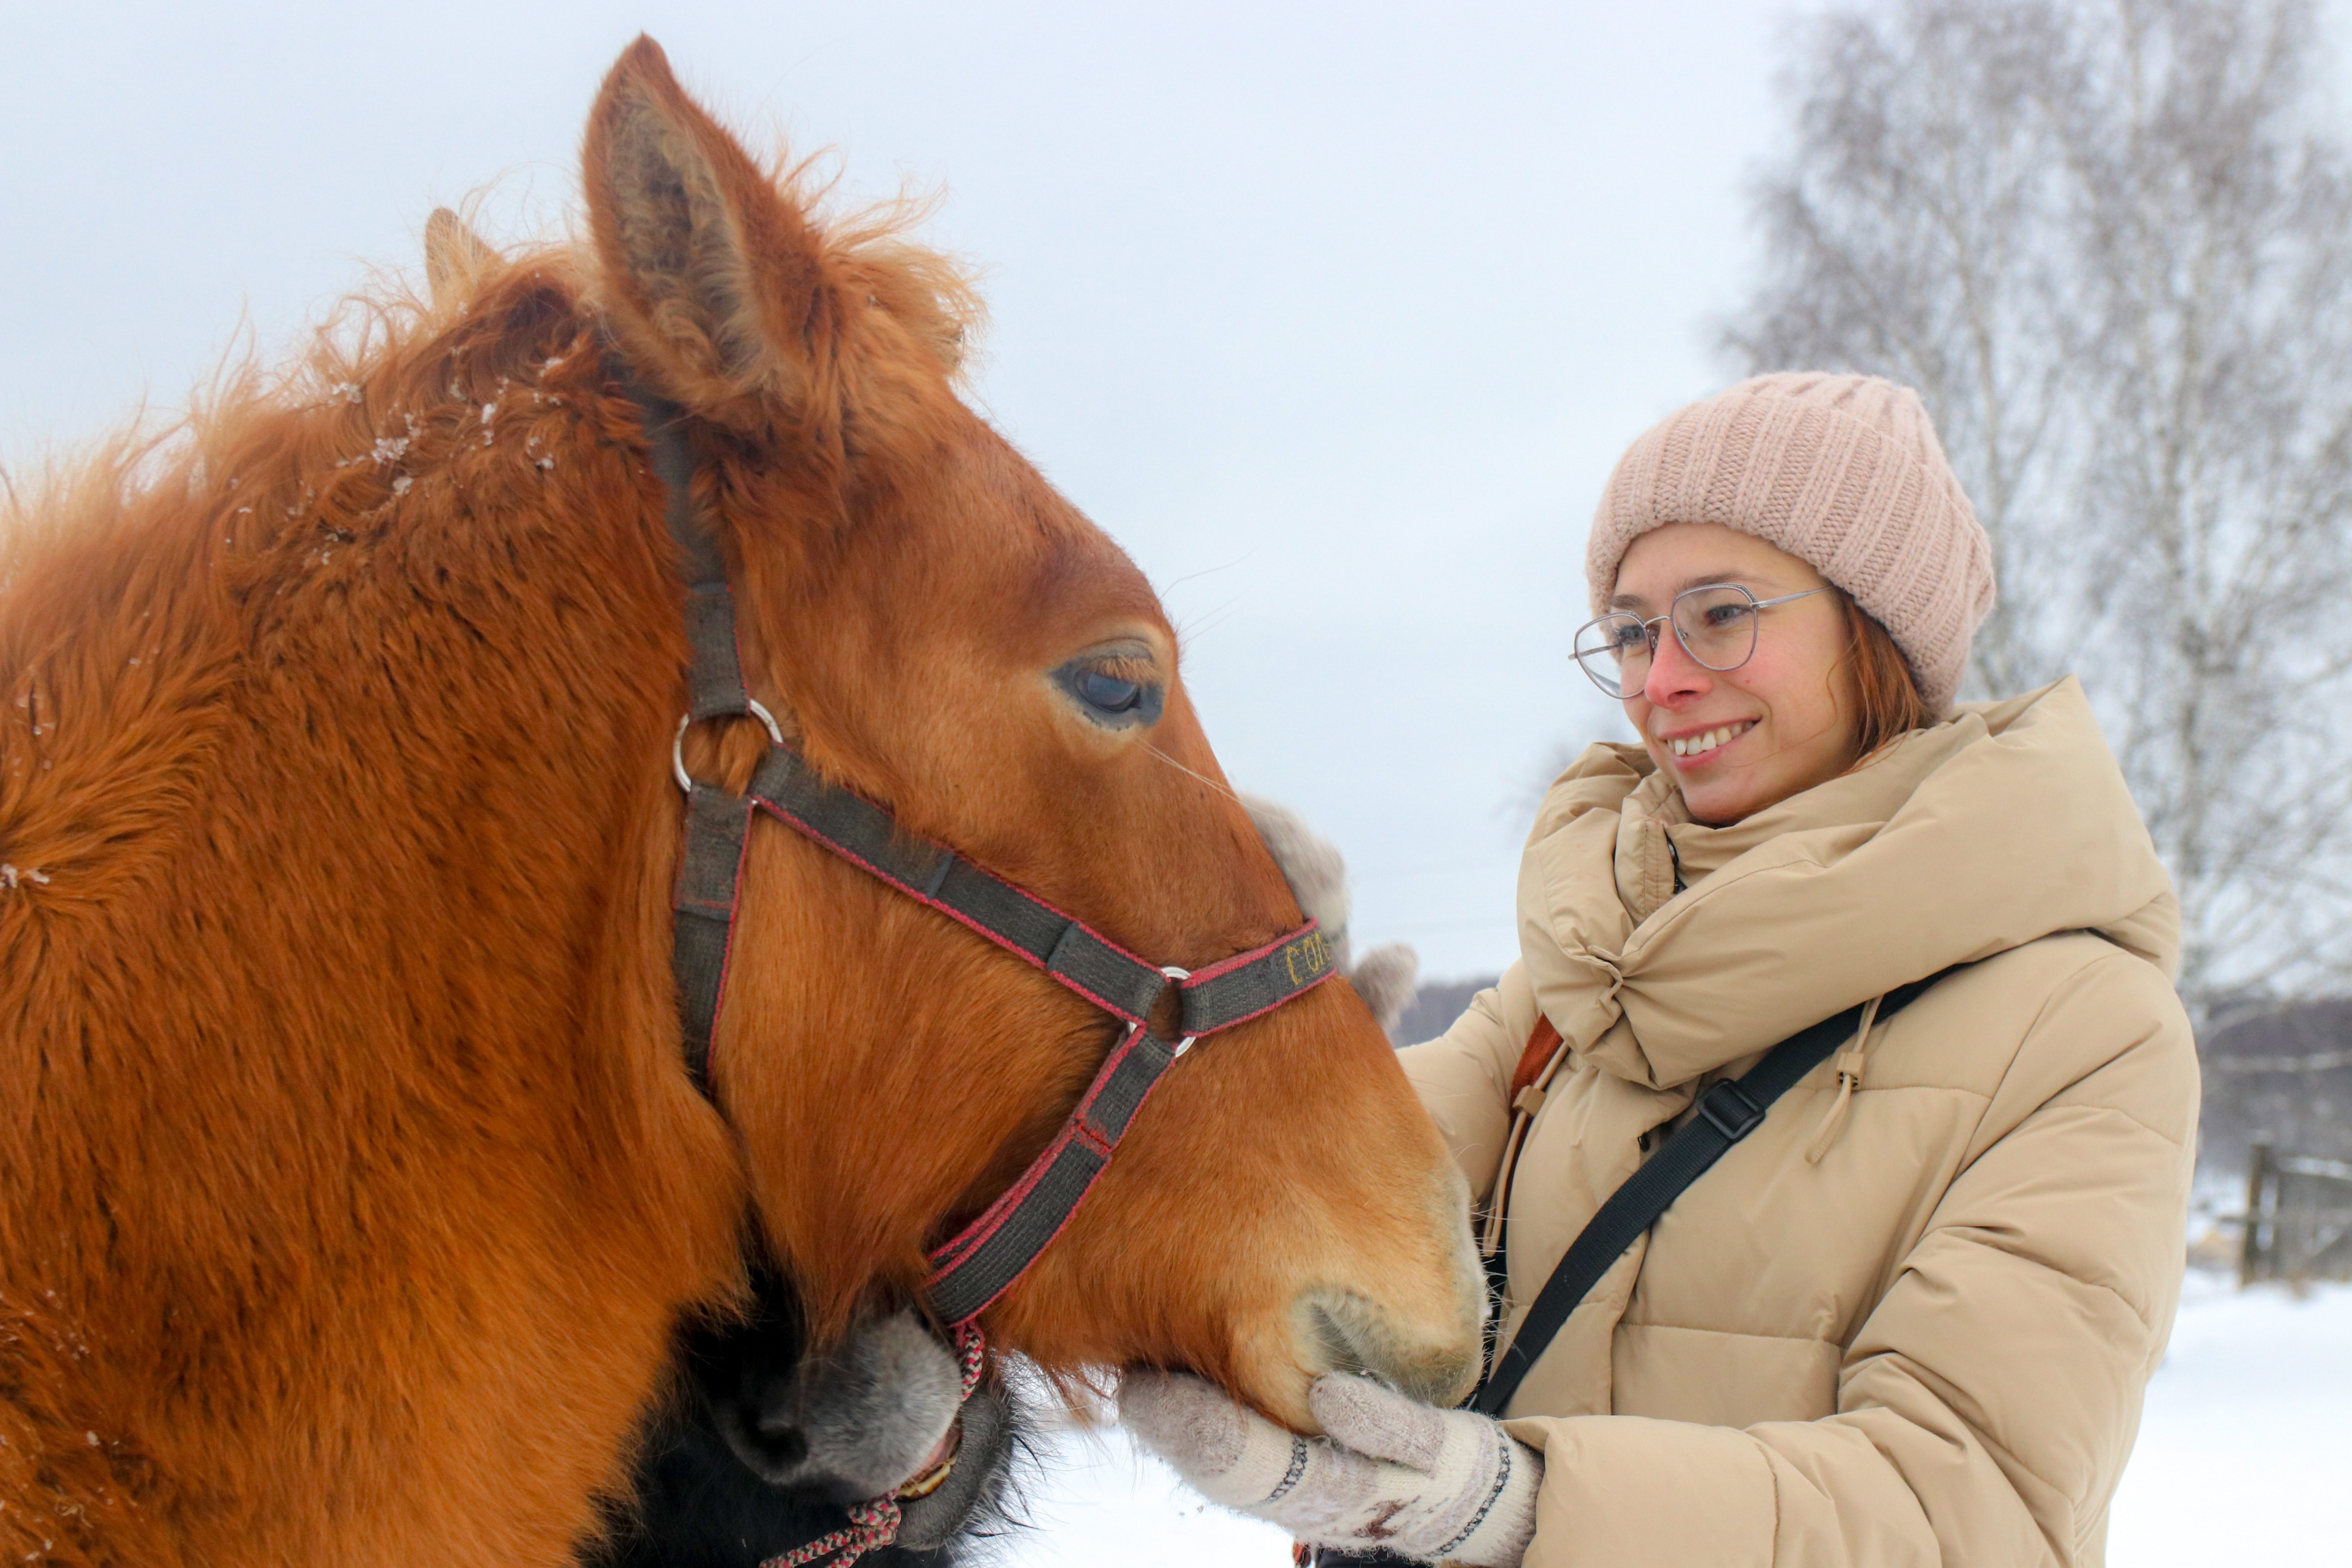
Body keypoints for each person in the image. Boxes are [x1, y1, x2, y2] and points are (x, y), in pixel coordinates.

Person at [1122, 372, 2199, 1567]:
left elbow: (1976, 1511)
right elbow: (1302, 1221)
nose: (1662, 679)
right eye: (1634, 630)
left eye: (1722, 614)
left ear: (1879, 631)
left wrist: (1513, 1508)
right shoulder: (1578, 983)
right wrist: (1252, 1044)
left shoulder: (2084, 1031)